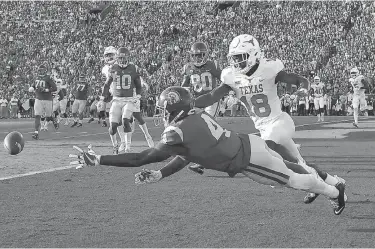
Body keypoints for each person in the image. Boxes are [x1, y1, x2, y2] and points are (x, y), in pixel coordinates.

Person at [69, 86, 346, 216]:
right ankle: (332, 181)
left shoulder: (177, 131)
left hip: (246, 160)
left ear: (174, 109)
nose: (162, 113)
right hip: (248, 142)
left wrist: (99, 159)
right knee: (290, 168)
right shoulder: (195, 116)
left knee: (292, 180)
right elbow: (190, 153)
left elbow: (141, 157)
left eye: (165, 108)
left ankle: (334, 192)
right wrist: (161, 175)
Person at [194, 34, 345, 204]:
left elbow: (298, 80)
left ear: (253, 55)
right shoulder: (231, 77)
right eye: (234, 58)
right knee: (300, 164)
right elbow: (212, 96)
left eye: (240, 57)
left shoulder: (268, 69)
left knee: (269, 157)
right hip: (264, 128)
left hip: (279, 122)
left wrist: (303, 89)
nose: (235, 62)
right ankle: (336, 183)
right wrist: (191, 103)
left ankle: (328, 190)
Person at [102, 47, 154, 154]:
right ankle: (123, 143)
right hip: (117, 97)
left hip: (132, 95)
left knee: (137, 116)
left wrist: (140, 92)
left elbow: (137, 80)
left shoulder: (132, 67)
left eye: (111, 55)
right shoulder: (108, 69)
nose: (109, 57)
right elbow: (108, 83)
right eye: (107, 55)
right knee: (119, 122)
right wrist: (105, 95)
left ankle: (147, 136)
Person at [180, 42, 222, 174]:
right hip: (197, 102)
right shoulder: (188, 67)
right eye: (195, 55)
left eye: (200, 55)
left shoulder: (212, 65)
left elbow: (224, 80)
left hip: (211, 101)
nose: (198, 58)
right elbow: (184, 86)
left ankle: (203, 161)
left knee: (207, 128)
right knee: (194, 128)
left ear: (205, 55)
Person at [31, 64, 58, 140]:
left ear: (45, 70)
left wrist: (47, 90)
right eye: (39, 70)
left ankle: (54, 120)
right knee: (37, 115)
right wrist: (31, 88)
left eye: (42, 70)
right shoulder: (36, 77)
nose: (40, 71)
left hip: (47, 99)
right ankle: (36, 132)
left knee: (48, 116)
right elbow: (33, 85)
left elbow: (55, 88)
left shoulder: (48, 78)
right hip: (38, 98)